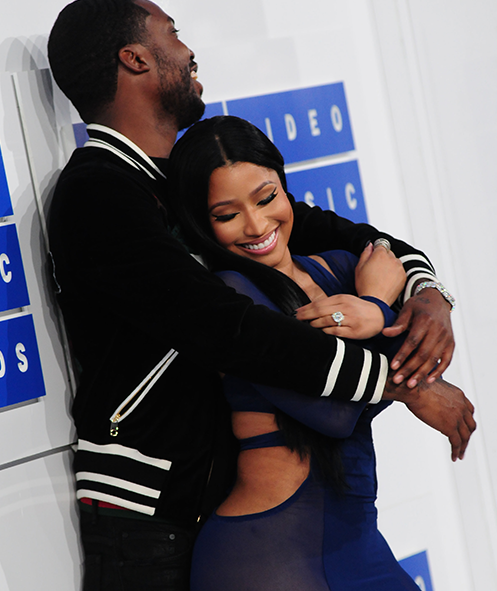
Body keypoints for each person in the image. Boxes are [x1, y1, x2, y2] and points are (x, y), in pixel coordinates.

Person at [46, 1, 474, 589]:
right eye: (173, 33)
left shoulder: (180, 182)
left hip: (220, 508)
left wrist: (427, 292)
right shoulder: (98, 192)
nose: (188, 51)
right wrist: (404, 381)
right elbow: (229, 330)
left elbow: (362, 242)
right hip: (148, 518)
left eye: (265, 200)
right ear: (135, 59)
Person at [166, 115, 474, 590]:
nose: (256, 225)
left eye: (266, 198)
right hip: (265, 557)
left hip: (357, 542)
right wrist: (375, 307)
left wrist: (425, 301)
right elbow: (334, 414)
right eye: (227, 215)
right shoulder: (231, 296)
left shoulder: (342, 266)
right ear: (202, 224)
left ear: (284, 186)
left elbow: (415, 355)